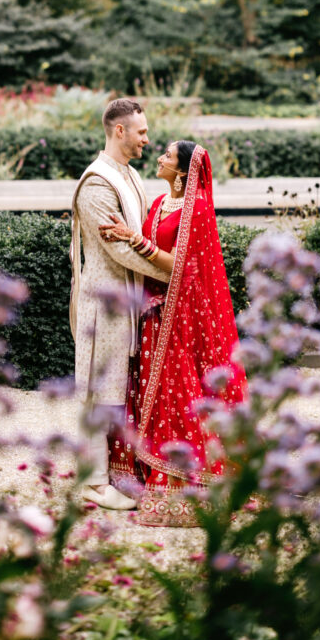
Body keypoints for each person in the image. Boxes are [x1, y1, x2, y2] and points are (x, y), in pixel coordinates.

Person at [99, 140, 247, 526]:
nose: (160, 158)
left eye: (167, 155)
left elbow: (182, 267)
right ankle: (144, 475)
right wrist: (125, 233)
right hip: (152, 313)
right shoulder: (158, 204)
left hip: (177, 315)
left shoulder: (196, 209)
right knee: (151, 390)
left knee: (177, 393)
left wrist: (134, 240)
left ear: (182, 171)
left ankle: (183, 480)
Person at [69, 98, 173, 510]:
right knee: (98, 392)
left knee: (120, 391)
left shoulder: (129, 175)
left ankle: (116, 470)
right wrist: (174, 272)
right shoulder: (96, 182)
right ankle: (92, 483)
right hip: (104, 304)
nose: (148, 139)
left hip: (130, 300)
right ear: (119, 131)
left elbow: (139, 233)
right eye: (141, 132)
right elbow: (121, 252)